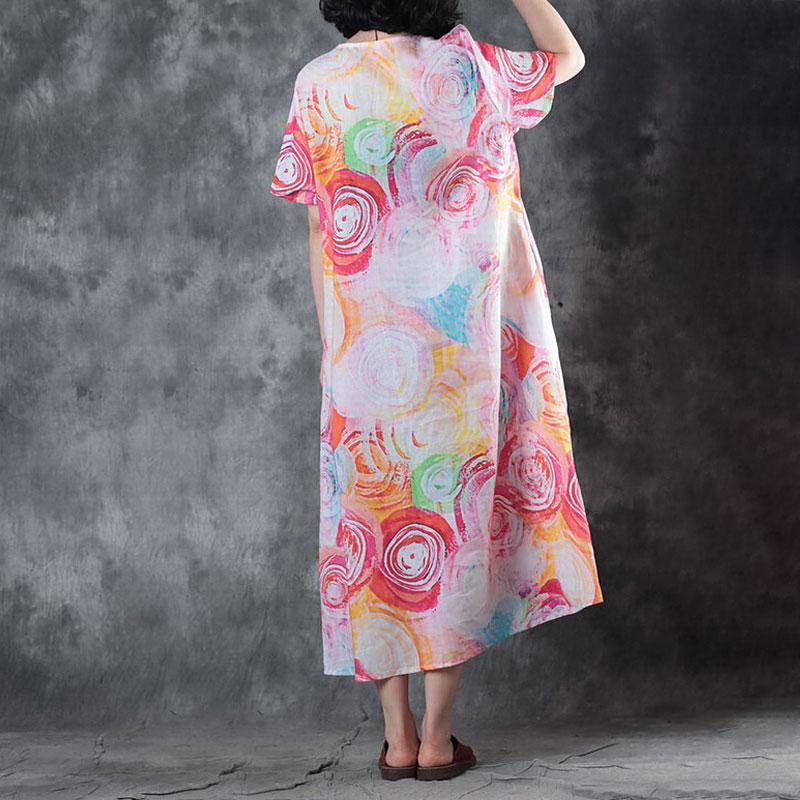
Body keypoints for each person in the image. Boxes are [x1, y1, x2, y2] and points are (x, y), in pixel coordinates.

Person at [269, 0, 603, 782]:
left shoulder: (318, 84)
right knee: (448, 529)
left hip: (364, 352)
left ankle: (396, 739)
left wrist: (332, 343)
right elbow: (569, 57)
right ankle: (439, 739)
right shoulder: (474, 69)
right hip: (462, 358)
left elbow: (319, 226)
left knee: (375, 533)